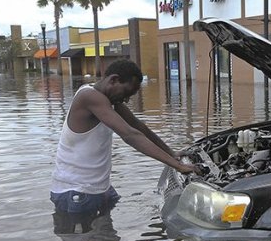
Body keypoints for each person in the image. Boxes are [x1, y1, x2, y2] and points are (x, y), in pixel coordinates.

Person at [50, 59, 197, 230]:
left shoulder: (107, 98)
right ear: (113, 80)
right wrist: (177, 166)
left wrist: (171, 153)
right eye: (126, 93)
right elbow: (130, 135)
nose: (126, 100)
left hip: (98, 189)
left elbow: (137, 126)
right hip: (76, 192)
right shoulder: (89, 97)